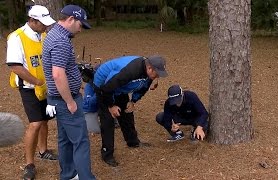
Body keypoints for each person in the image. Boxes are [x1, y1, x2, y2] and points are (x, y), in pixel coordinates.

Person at [42, 5, 96, 180]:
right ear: (71, 19)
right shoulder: (61, 41)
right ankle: (85, 177)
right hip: (66, 100)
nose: (81, 29)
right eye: (81, 24)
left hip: (57, 98)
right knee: (80, 141)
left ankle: (68, 175)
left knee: (64, 140)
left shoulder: (53, 35)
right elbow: (58, 74)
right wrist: (70, 101)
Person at [5, 5, 57, 180]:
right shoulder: (16, 38)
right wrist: (36, 82)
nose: (46, 27)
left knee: (44, 120)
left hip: (45, 86)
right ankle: (29, 164)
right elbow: (15, 66)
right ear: (32, 20)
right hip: (29, 87)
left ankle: (43, 150)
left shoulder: (43, 34)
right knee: (35, 123)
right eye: (42, 23)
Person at [93, 55, 168, 167]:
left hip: (119, 88)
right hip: (103, 87)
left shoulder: (148, 75)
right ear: (150, 68)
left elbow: (143, 88)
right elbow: (107, 88)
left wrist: (133, 101)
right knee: (108, 119)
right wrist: (111, 105)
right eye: (157, 73)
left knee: (127, 112)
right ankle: (107, 154)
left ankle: (133, 142)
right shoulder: (130, 71)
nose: (158, 76)